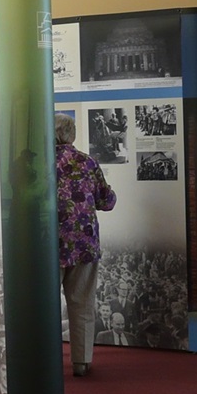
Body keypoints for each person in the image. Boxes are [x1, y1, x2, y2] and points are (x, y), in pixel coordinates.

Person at [55, 112, 117, 377]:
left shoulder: (39, 163)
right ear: (71, 135)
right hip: (84, 244)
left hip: (49, 245)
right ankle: (81, 362)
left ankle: (43, 362)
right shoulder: (87, 162)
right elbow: (107, 201)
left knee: (45, 307)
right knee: (82, 302)